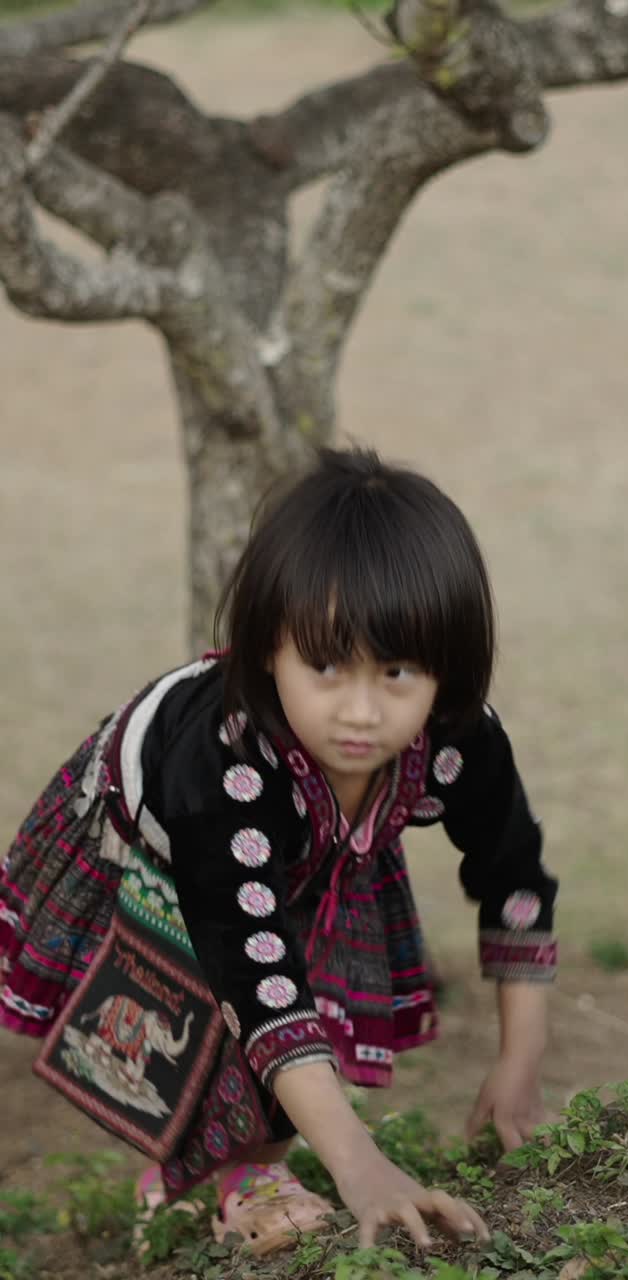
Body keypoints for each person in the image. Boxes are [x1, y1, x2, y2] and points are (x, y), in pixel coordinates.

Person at [0, 447, 558, 1255]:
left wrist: (522, 1058)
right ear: (269, 647)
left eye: (398, 672)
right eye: (325, 666)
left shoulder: (461, 740)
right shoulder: (220, 763)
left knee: (310, 968)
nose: (360, 712)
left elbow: (514, 875)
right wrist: (361, 1168)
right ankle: (198, 1181)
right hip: (153, 842)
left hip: (316, 844)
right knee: (211, 991)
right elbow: (255, 977)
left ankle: (249, 1171)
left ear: (449, 669)